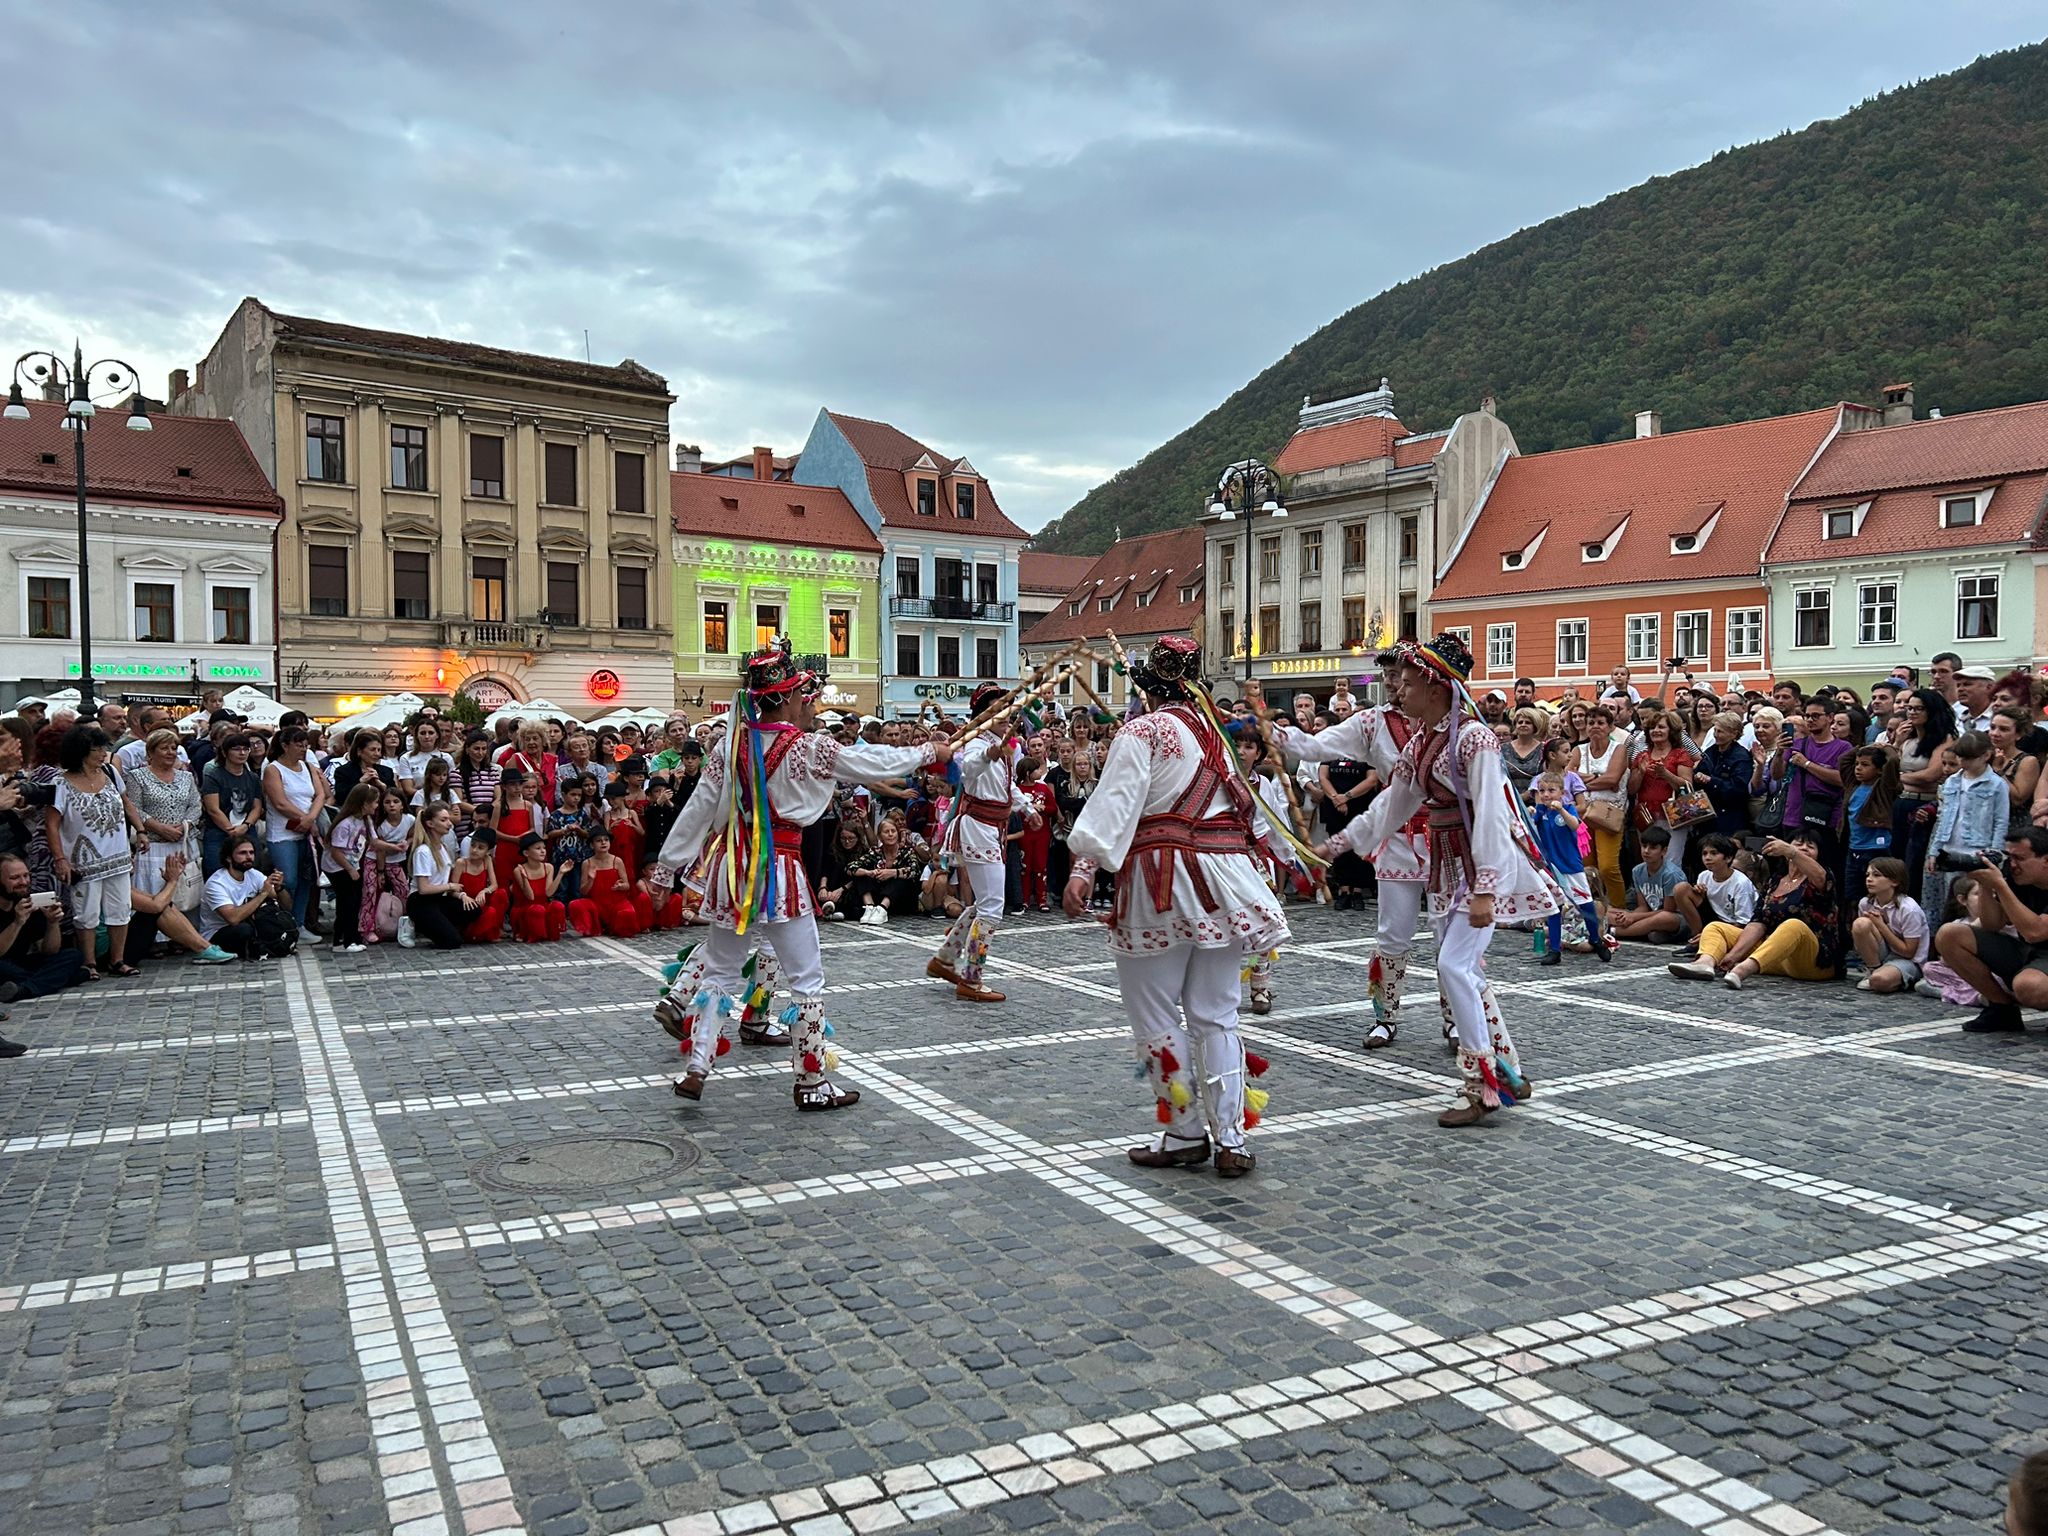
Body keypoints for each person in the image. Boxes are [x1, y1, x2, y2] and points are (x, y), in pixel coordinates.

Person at [655, 638, 948, 1108]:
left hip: (734, 868)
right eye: (800, 695)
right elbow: (868, 760)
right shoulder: (806, 748)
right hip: (781, 870)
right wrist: (927, 752)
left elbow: (698, 810)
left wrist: (665, 870)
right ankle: (811, 1083)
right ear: (788, 697)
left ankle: (698, 1066)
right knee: (806, 979)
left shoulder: (728, 748)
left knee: (721, 972)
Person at [1061, 637, 1282, 1176]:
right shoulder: (1220, 736)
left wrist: (1083, 868)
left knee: (1156, 1011)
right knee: (1217, 1014)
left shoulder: (1144, 731)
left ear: (1149, 685)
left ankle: (1184, 1130)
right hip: (1226, 884)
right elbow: (1247, 815)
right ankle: (1232, 1139)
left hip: (1160, 879)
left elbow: (1115, 804)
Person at [1321, 633, 1556, 1126]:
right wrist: (1336, 845)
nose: (1399, 692)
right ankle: (1506, 1071)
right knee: (1463, 970)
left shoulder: (1473, 739)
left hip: (1477, 864)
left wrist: (1487, 887)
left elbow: (1492, 812)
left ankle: (1482, 1087)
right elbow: (1392, 804)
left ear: (1435, 686)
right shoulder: (1426, 741)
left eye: (1407, 683)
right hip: (1449, 865)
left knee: (1454, 967)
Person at [1264, 672, 1432, 1050]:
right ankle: (1385, 1017)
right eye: (1391, 677)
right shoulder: (1373, 721)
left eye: (1405, 678)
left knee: (1451, 941)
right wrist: (1271, 731)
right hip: (1397, 834)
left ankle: (1456, 1023)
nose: (1396, 686)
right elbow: (1316, 746)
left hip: (1447, 839)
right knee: (1392, 933)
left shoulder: (1450, 722)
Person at [926, 681, 1040, 1004]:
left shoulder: (1003, 747)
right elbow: (967, 770)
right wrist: (990, 753)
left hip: (991, 828)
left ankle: (945, 959)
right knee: (992, 906)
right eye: (998, 710)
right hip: (979, 827)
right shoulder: (978, 742)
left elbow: (1007, 788)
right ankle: (972, 978)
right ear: (983, 714)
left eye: (1007, 710)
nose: (1006, 716)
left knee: (984, 903)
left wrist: (1027, 808)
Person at [1668, 830, 1838, 988]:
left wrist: (1793, 852)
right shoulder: (1775, 881)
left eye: (1810, 846)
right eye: (1799, 844)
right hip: (1774, 956)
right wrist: (1733, 955)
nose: (1804, 848)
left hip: (1810, 961)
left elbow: (1820, 876)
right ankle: (1704, 963)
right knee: (1715, 927)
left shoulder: (1821, 878)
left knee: (1793, 925)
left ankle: (1743, 970)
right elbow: (1758, 922)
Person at [47, 724, 142, 980]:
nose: (102, 753)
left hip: (117, 854)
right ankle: (88, 962)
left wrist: (140, 830)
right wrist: (60, 858)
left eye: (103, 748)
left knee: (121, 907)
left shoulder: (110, 772)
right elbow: (52, 823)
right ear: (80, 752)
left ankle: (117, 959)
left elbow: (126, 803)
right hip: (83, 858)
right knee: (86, 911)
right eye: (95, 749)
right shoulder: (61, 783)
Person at [1924, 732, 2009, 927]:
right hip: (1950, 849)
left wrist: (1995, 854)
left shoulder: (1996, 785)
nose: (1963, 762)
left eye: (1969, 758)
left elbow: (2000, 822)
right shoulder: (1952, 781)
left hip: (1978, 851)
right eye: (1961, 757)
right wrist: (1934, 851)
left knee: (1977, 902)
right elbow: (1944, 818)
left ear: (1986, 755)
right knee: (1952, 901)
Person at [1528, 774, 1606, 968]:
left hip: (1571, 866)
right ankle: (1555, 950)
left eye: (1551, 790)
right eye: (1542, 790)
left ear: (1562, 793)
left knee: (1585, 903)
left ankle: (1596, 939)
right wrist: (1530, 814)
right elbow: (1531, 828)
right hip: (1551, 868)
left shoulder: (1568, 809)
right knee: (1554, 907)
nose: (1546, 795)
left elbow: (1575, 825)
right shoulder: (1540, 811)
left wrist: (1561, 809)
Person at [262, 725, 329, 943]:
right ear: (284, 745)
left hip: (307, 833)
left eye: (306, 746)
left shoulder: (308, 767)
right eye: (298, 745)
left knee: (306, 879)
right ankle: (283, 920)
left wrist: (310, 819)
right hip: (282, 833)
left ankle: (298, 924)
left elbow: (320, 795)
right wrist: (305, 819)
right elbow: (280, 802)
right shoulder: (273, 769)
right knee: (288, 879)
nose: (303, 749)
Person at [0, 853, 87, 1007]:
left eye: (26, 876)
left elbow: (49, 951)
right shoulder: (20, 911)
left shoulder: (28, 902)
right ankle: (57, 978)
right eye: (15, 878)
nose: (23, 882)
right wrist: (17, 922)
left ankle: (24, 989)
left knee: (73, 955)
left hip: (20, 964)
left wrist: (53, 923)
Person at [201, 834, 298, 960]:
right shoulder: (217, 883)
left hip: (247, 924)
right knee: (245, 930)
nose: (249, 857)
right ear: (229, 858)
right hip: (217, 933)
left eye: (251, 853)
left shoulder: (253, 874)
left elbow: (287, 906)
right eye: (242, 853)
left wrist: (279, 888)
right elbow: (233, 918)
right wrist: (263, 894)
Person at [1852, 857, 1929, 994]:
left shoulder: (1909, 909)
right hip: (1883, 954)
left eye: (1876, 875)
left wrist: (1881, 926)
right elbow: (1862, 938)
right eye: (1868, 875)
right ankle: (1873, 968)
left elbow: (1909, 952)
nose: (1869, 879)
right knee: (1860, 924)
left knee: (1880, 981)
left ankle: (1900, 977)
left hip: (1907, 960)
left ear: (1894, 881)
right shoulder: (1865, 903)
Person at [1577, 706, 1629, 909]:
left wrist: (1584, 782)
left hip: (1609, 813)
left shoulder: (1619, 749)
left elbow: (1614, 778)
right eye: (1591, 723)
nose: (1595, 727)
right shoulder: (1578, 750)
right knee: (1587, 867)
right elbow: (1569, 777)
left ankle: (1618, 909)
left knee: (1608, 867)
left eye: (1600, 723)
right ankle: (1592, 908)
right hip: (1583, 813)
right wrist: (1601, 779)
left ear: (1609, 726)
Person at [1607, 824, 1690, 943]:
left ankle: (1613, 932)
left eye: (1653, 848)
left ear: (1664, 851)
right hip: (1649, 915)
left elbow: (1668, 910)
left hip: (1674, 918)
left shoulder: (1671, 874)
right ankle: (1643, 931)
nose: (1646, 851)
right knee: (1608, 912)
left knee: (1663, 918)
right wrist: (1626, 918)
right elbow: (1643, 907)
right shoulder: (1637, 871)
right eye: (1644, 846)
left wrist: (1633, 917)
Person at [323, 783, 380, 954]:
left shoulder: (365, 820)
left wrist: (395, 847)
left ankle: (352, 936)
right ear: (364, 804)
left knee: (355, 902)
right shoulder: (344, 824)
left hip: (352, 864)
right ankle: (341, 942)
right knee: (346, 903)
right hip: (338, 867)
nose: (377, 806)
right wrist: (350, 869)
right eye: (375, 802)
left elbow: (374, 841)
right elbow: (335, 852)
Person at [405, 804, 469, 950]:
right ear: (430, 824)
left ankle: (440, 924)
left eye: (448, 819)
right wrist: (450, 886)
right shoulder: (423, 851)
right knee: (452, 942)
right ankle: (415, 923)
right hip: (420, 901)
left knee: (473, 910)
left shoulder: (443, 848)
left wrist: (460, 895)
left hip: (439, 898)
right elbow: (424, 889)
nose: (449, 823)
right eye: (444, 820)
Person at [200, 732, 265, 875]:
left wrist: (246, 825)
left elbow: (257, 806)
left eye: (245, 749)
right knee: (216, 872)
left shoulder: (253, 777)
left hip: (247, 829)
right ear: (224, 752)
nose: (242, 753)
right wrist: (230, 830)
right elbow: (213, 809)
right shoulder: (213, 775)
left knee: (252, 872)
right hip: (218, 831)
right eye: (236, 749)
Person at [454, 829, 509, 943]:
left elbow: (494, 885)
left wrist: (484, 891)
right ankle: (471, 932)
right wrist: (463, 896)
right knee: (490, 912)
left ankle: (495, 929)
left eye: (480, 848)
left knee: (501, 894)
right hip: (467, 904)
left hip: (481, 901)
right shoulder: (461, 863)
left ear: (488, 851)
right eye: (473, 845)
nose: (474, 850)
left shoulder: (487, 860)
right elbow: (452, 890)